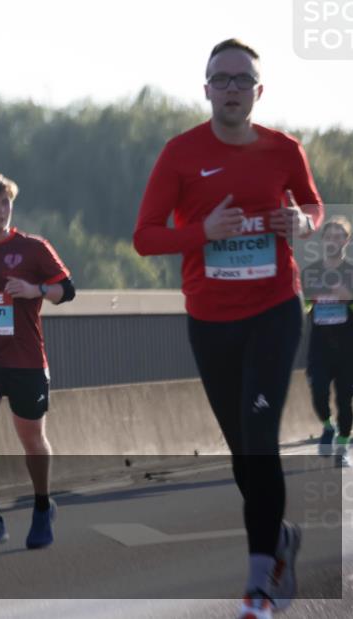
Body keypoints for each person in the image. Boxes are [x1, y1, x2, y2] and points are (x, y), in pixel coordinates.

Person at [133, 39, 323, 619]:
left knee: (260, 440)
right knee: (243, 450)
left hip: (274, 310)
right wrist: (204, 233)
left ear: (258, 91)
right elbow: (145, 237)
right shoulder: (181, 154)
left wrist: (302, 221)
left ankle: (260, 582)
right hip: (211, 320)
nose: (233, 88)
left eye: (243, 80)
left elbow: (313, 208)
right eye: (223, 79)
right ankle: (279, 535)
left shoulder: (284, 149)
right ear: (207, 89)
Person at [0, 173, 76, 551]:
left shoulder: (33, 248)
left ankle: (42, 506)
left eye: (5, 202)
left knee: (32, 439)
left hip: (25, 359)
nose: (0, 210)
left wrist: (35, 289)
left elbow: (67, 290)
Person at [301, 216, 353, 468]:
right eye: (328, 237)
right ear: (323, 240)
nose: (332, 241)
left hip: (348, 347)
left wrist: (349, 299)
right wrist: (308, 303)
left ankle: (343, 449)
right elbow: (304, 308)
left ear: (346, 240)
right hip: (320, 345)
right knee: (318, 393)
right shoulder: (310, 272)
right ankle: (328, 426)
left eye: (338, 236)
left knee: (344, 401)